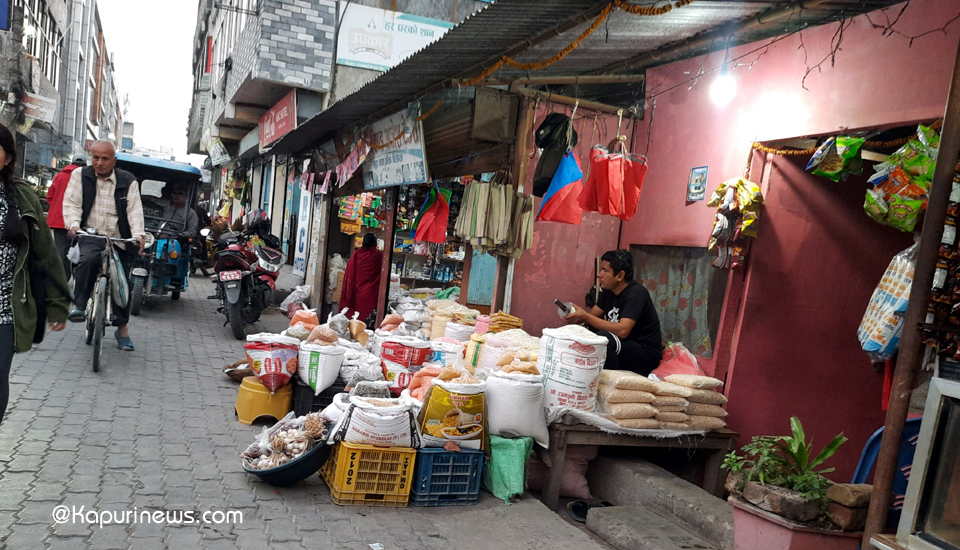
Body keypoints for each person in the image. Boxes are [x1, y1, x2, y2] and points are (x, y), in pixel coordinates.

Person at [0, 123, 68, 425]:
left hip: (6, 310)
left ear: (7, 158)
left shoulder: (22, 198)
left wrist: (57, 305)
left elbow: (45, 254)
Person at [62, 140, 146, 352]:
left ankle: (122, 331)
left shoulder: (128, 181)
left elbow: (134, 212)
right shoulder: (80, 176)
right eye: (95, 158)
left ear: (114, 160)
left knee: (122, 284)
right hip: (90, 235)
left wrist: (138, 235)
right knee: (87, 260)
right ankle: (80, 305)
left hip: (119, 240)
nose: (99, 162)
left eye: (105, 158)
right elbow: (71, 204)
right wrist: (73, 225)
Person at [563, 249, 663, 376]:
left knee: (606, 339)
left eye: (605, 271)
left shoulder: (636, 294)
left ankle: (609, 379)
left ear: (620, 276)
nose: (599, 274)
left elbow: (623, 330)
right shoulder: (609, 291)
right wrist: (575, 316)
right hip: (624, 345)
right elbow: (591, 317)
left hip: (644, 353)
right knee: (589, 329)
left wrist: (585, 317)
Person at [46, 155, 86, 277]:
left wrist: (58, 207)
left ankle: (62, 278)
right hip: (79, 222)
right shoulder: (85, 177)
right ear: (84, 165)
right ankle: (74, 276)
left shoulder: (59, 176)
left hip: (58, 221)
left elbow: (50, 197)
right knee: (78, 252)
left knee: (61, 251)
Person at [340, 233, 382, 325]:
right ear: (375, 243)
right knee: (368, 322)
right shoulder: (378, 256)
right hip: (372, 293)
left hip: (357, 292)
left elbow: (349, 274)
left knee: (355, 319)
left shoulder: (357, 254)